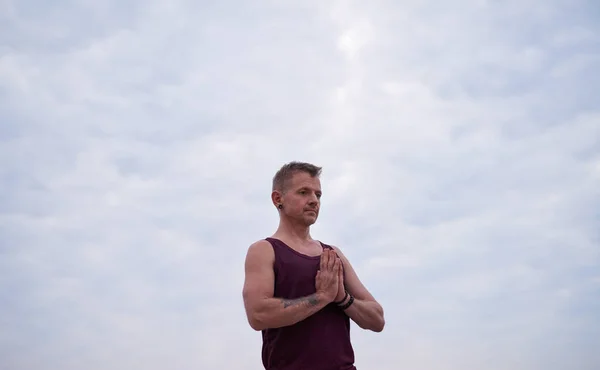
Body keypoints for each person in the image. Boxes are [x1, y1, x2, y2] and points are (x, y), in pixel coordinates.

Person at [242, 161, 385, 370]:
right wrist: (321, 298)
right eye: (303, 192)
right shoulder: (264, 250)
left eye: (318, 195)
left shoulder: (332, 255)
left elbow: (377, 319)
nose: (313, 201)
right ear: (277, 199)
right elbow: (258, 315)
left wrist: (342, 298)